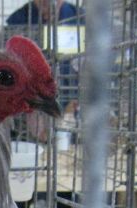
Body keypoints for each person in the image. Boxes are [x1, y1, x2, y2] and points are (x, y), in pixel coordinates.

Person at [6, 0, 83, 141]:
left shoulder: (81, 18)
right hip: (30, 112)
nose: (48, 3)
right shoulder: (17, 21)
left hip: (72, 102)